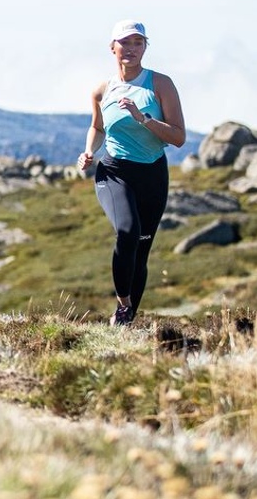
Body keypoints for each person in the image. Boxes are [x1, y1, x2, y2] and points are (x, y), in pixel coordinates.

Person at [76, 20, 186, 326]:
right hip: (114, 171)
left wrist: (144, 119)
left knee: (141, 248)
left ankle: (126, 319)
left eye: (138, 43)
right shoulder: (102, 90)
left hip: (152, 174)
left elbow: (178, 137)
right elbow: (97, 128)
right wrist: (89, 151)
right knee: (126, 231)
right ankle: (123, 304)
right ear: (113, 48)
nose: (131, 49)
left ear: (145, 47)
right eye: (125, 43)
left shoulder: (160, 84)